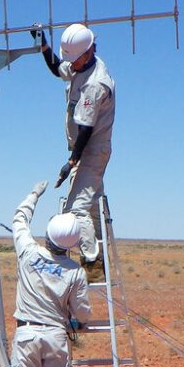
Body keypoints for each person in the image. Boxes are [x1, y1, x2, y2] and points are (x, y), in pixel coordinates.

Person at [5, 181, 91, 367]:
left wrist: (34, 194)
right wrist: (77, 321)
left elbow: (19, 218)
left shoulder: (29, 252)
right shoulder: (75, 272)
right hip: (56, 336)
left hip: (27, 333)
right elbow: (81, 312)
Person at [31, 24, 115, 283]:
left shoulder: (95, 84)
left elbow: (87, 128)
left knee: (75, 210)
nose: (71, 64)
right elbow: (58, 68)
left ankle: (92, 262)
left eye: (74, 59)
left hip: (91, 151)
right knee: (91, 209)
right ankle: (100, 256)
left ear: (88, 53)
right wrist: (43, 45)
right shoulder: (80, 64)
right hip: (82, 150)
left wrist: (72, 161)